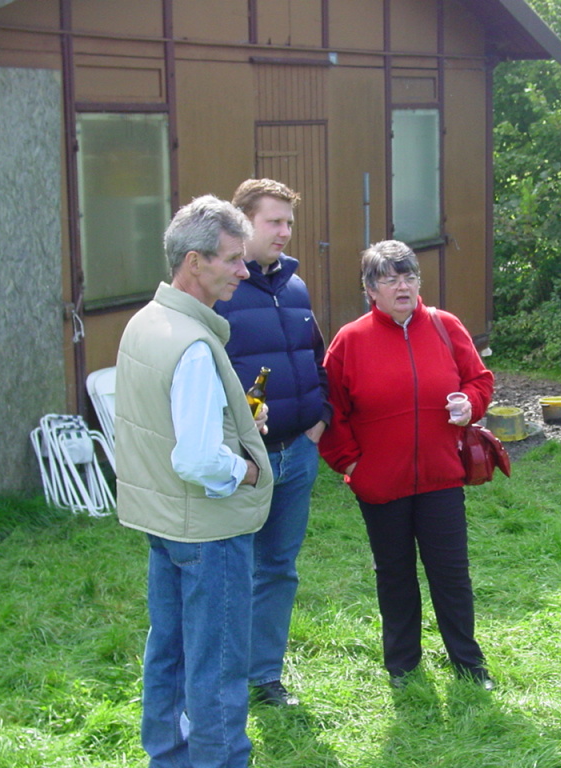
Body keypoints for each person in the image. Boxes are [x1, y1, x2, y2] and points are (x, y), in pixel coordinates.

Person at [114, 195, 273, 768]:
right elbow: (198, 458)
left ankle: (168, 757)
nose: (243, 270)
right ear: (193, 263)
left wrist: (234, 421)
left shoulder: (146, 322)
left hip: (165, 524)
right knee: (219, 665)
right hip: (209, 531)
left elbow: (158, 420)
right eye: (232, 259)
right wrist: (247, 467)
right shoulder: (194, 345)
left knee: (170, 654)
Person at [319, 240, 496, 690]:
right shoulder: (349, 341)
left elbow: (479, 380)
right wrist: (352, 465)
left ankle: (468, 663)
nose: (403, 286)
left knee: (451, 573)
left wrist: (469, 405)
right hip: (381, 484)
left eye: (410, 275)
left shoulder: (445, 326)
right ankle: (402, 666)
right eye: (389, 278)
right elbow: (330, 411)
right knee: (395, 575)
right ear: (369, 289)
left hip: (440, 476)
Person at [214, 178, 330, 707]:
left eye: (288, 222)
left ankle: (265, 678)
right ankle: (222, 679)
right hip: (244, 460)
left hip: (298, 454)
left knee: (279, 568)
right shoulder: (223, 291)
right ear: (244, 224)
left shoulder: (296, 287)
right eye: (273, 222)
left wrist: (319, 418)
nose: (284, 232)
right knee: (232, 570)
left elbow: (315, 358)